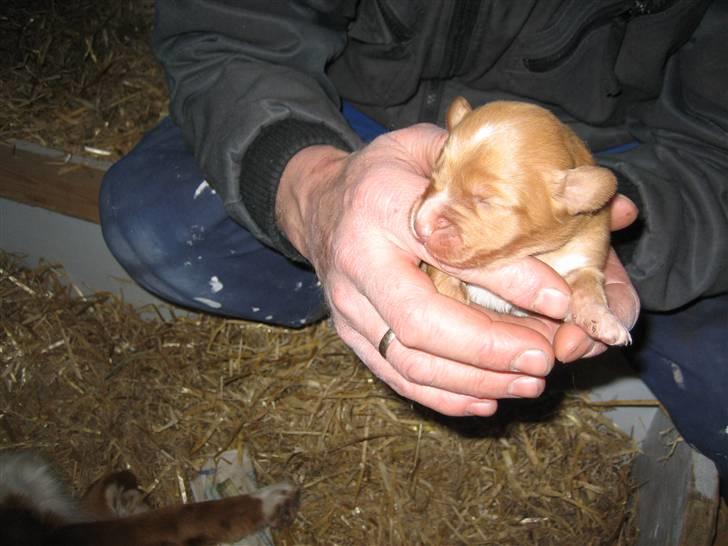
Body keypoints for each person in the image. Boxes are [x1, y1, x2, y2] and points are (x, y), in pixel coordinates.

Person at [99, 1, 727, 490]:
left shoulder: (584, 198)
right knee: (161, 228)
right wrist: (314, 193)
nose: (428, 221)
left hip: (627, 164)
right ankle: (353, 291)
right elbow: (228, 32)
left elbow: (716, 151)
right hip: (361, 114)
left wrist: (618, 236)